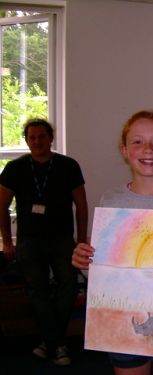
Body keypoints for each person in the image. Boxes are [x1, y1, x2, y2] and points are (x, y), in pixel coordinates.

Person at [72, 110, 153, 375]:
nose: (148, 149)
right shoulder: (111, 200)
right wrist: (84, 261)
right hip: (125, 317)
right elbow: (102, 268)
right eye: (137, 142)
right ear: (124, 150)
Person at [0, 119, 88, 366]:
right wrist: (8, 242)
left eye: (41, 136)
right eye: (32, 138)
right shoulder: (14, 168)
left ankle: (49, 342)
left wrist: (81, 241)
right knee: (36, 291)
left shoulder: (68, 166)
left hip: (62, 240)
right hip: (29, 241)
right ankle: (57, 344)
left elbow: (81, 205)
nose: (37, 141)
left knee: (69, 286)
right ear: (27, 140)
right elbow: (1, 206)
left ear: (51, 138)